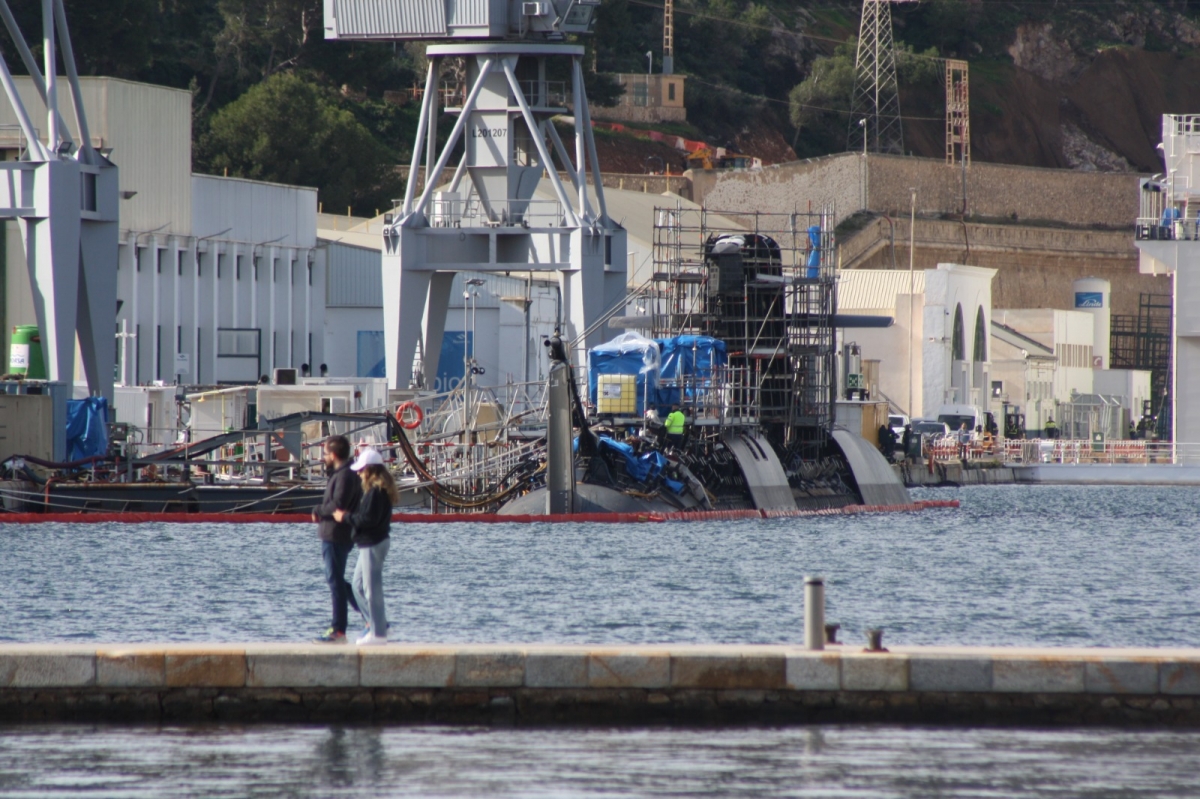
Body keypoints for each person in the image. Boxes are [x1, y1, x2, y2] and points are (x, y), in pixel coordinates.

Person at [333, 448, 398, 647]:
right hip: (369, 542)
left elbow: (368, 519)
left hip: (373, 543)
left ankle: (377, 633)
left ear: (369, 470)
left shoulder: (376, 492)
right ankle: (376, 624)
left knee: (372, 590)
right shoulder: (374, 492)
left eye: (361, 470)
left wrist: (345, 517)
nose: (359, 473)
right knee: (357, 586)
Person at [311, 435, 362, 643]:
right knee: (338, 581)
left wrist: (317, 510)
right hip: (333, 534)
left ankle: (338, 629)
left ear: (333, 454)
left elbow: (337, 504)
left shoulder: (344, 476)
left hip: (336, 535)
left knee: (335, 581)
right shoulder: (341, 474)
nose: (323, 458)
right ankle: (371, 616)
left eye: (325, 454)